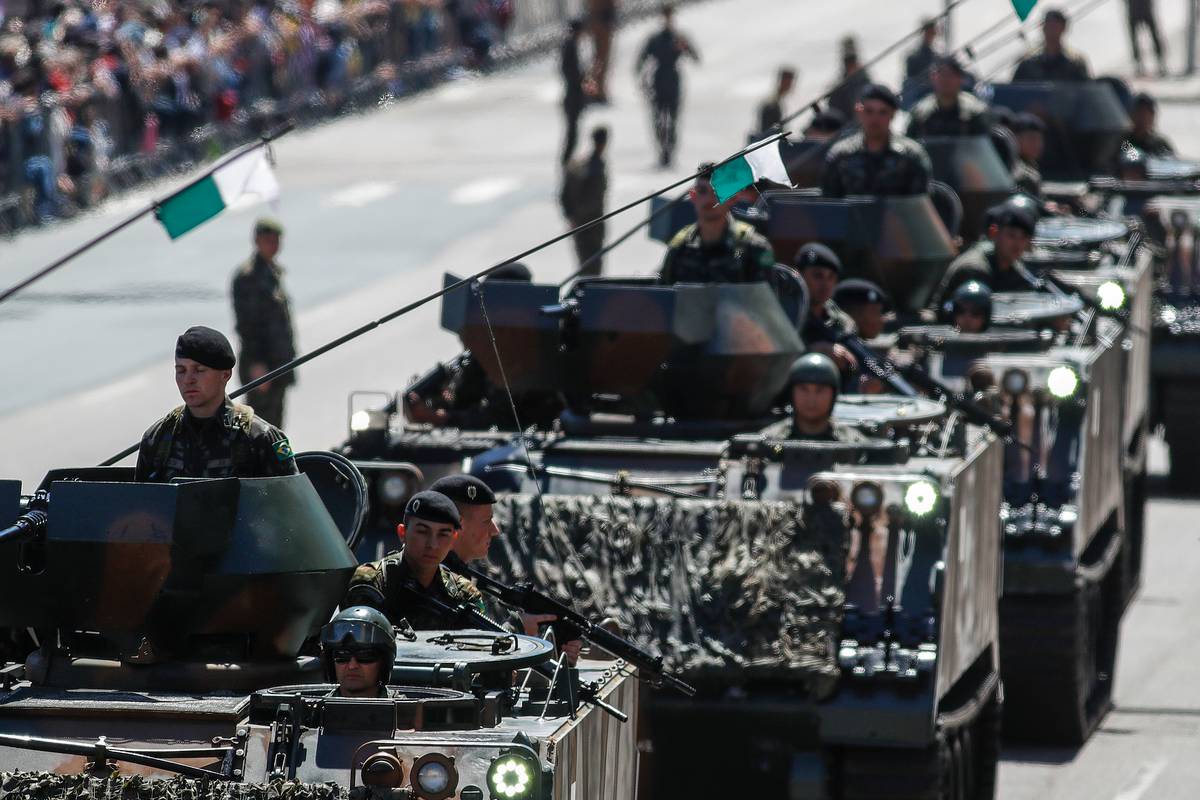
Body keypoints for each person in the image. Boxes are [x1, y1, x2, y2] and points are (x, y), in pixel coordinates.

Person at [430, 475, 583, 665]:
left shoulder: (461, 576)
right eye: (487, 521)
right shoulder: (433, 579)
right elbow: (464, 652)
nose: (495, 530)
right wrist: (520, 628)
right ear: (459, 525)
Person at [135, 326, 298, 482]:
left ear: (225, 375)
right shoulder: (158, 438)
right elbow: (141, 506)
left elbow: (291, 503)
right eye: (181, 371)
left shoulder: (260, 438)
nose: (188, 380)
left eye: (199, 370)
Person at [345, 491, 487, 630]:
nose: (433, 544)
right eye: (422, 531)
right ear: (402, 533)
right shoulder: (371, 583)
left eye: (443, 534)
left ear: (453, 539)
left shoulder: (464, 593)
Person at [231, 217, 296, 428]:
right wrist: (258, 365)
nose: (274, 245)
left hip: (278, 362)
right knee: (257, 427)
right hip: (262, 365)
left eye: (276, 240)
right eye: (269, 240)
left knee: (275, 428)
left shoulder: (273, 272)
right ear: (257, 241)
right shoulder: (248, 277)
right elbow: (247, 325)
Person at [658, 167, 776, 284]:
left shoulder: (754, 247)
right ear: (693, 196)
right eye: (702, 191)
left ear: (733, 198)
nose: (709, 200)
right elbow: (664, 296)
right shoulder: (679, 247)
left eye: (717, 193)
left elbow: (766, 300)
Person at [823, 83, 931, 198]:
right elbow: (830, 204)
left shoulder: (911, 155)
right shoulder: (840, 155)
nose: (875, 119)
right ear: (859, 112)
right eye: (869, 111)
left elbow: (919, 205)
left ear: (893, 114)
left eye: (882, 112)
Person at [934, 202, 1038, 305]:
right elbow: (972, 315)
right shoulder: (975, 269)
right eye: (1011, 235)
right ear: (995, 233)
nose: (1017, 243)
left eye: (1023, 237)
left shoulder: (1012, 265)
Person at [636, 3, 699, 168]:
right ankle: (662, 150)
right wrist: (642, 79)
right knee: (658, 119)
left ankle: (669, 151)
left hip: (673, 80)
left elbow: (695, 56)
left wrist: (685, 47)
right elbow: (642, 59)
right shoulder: (655, 39)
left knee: (672, 119)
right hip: (658, 80)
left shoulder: (678, 37)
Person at [794, 244, 858, 376]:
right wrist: (810, 352)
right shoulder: (783, 315)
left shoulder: (842, 323)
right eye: (818, 276)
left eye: (831, 277)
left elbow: (854, 364)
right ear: (798, 275)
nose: (826, 284)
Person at [560, 126, 609, 277]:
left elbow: (563, 194)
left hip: (580, 222)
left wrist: (571, 216)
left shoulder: (577, 164)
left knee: (584, 265)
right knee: (593, 269)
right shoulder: (595, 167)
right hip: (592, 224)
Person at [320, 606, 396, 699]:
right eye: (342, 655)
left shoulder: (405, 711)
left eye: (365, 656)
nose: (352, 666)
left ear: (384, 663)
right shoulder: (314, 711)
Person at [906, 55, 990, 139]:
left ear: (960, 78)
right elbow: (909, 142)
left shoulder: (974, 111)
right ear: (933, 77)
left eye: (951, 75)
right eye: (942, 74)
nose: (946, 80)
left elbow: (985, 142)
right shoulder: (921, 112)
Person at [786, 353, 861, 441]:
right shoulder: (771, 442)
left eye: (820, 390)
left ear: (833, 394)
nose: (811, 400)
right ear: (791, 392)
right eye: (803, 389)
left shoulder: (853, 443)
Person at [1012, 9, 1090, 82]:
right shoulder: (1028, 64)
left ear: (1063, 28)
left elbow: (1086, 91)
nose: (1051, 30)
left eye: (1055, 26)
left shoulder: (1075, 63)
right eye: (1048, 25)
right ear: (1043, 28)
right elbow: (1013, 92)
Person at [561, 19, 588, 165]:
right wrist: (581, 79)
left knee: (574, 132)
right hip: (573, 95)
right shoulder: (570, 46)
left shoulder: (572, 45)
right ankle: (566, 162)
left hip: (574, 94)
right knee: (572, 133)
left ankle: (568, 161)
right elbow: (569, 72)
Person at [827, 36, 872, 121]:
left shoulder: (863, 82)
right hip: (843, 122)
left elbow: (860, 105)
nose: (850, 66)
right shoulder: (840, 85)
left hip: (858, 120)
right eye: (847, 62)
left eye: (852, 62)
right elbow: (833, 105)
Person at [1124, 92, 1174, 158]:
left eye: (1147, 113)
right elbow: (1135, 159)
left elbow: (1172, 162)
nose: (1143, 118)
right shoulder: (1125, 143)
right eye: (1139, 113)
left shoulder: (1160, 143)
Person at [1127, 0, 1167, 78]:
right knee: (1135, 39)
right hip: (1135, 9)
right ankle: (1139, 65)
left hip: (1144, 9)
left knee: (1154, 35)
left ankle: (1161, 63)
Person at [1010, 112, 1046, 198]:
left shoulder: (1030, 165)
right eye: (1031, 138)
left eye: (1039, 139)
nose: (1037, 144)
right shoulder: (1016, 171)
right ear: (1014, 138)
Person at [588, 0, 618, 102]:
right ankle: (595, 92)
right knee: (600, 61)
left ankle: (596, 91)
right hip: (602, 24)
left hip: (602, 23)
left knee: (600, 61)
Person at [756, 67, 797, 134]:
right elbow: (768, 130)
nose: (791, 86)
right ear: (783, 81)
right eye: (790, 82)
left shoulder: (776, 101)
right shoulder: (772, 104)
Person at [904, 17, 939, 82]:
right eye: (928, 32)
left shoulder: (937, 56)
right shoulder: (913, 56)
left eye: (932, 32)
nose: (931, 36)